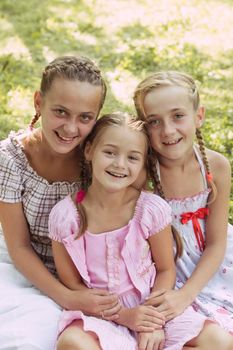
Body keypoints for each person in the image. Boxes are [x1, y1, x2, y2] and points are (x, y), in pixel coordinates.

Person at [48, 112, 233, 350]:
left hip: (152, 308)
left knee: (219, 342)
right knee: (72, 343)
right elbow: (72, 285)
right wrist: (124, 316)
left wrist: (150, 322)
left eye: (132, 157)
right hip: (102, 315)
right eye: (110, 152)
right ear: (89, 151)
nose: (120, 164)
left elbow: (166, 270)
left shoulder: (150, 209)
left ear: (142, 163)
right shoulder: (65, 217)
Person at [0, 56, 121, 350]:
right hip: (23, 264)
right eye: (60, 112)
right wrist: (66, 296)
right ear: (38, 102)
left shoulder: (99, 161)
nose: (70, 128)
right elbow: (19, 246)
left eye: (84, 118)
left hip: (84, 268)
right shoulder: (11, 160)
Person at [133, 71, 233, 335]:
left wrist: (187, 294)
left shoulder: (216, 167)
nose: (168, 130)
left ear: (198, 116)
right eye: (154, 121)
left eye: (178, 116)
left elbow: (216, 243)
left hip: (213, 263)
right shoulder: (142, 176)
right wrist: (176, 295)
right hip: (166, 271)